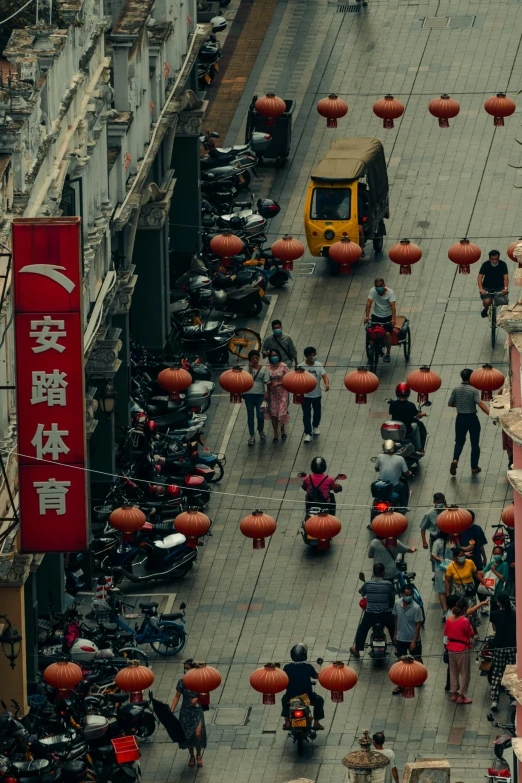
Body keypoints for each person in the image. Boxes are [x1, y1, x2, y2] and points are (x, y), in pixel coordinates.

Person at [448, 368, 489, 476]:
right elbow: (480, 404)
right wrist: (490, 413)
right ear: (471, 377)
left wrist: (460, 405)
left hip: (460, 419)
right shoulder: (473, 390)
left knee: (459, 442)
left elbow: (450, 403)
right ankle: (474, 467)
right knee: (475, 444)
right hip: (472, 419)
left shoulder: (456, 389)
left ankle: (455, 460)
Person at [350, 563, 395, 658]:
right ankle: (398, 649)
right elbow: (392, 596)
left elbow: (362, 593)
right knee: (394, 629)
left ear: (374, 573)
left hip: (370, 614)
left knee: (362, 629)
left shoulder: (368, 584)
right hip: (385, 613)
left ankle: (357, 649)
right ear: (383, 573)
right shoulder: (388, 584)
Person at [171, 660, 207, 767]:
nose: (185, 670)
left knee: (198, 734)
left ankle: (199, 755)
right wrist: (172, 709)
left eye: (187, 668)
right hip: (185, 712)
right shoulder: (182, 682)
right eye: (184, 668)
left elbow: (205, 696)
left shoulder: (201, 680)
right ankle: (191, 755)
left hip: (197, 711)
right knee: (187, 735)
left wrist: (197, 699)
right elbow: (177, 696)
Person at [281, 643, 324, 730]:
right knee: (319, 700)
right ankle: (316, 723)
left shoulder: (287, 667)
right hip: (306, 698)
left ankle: (287, 721)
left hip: (291, 697)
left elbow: (281, 678)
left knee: (284, 700)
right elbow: (316, 676)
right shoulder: (308, 667)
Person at [445, 547, 488, 632]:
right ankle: (462, 628)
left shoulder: (470, 562)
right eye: (460, 556)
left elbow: (476, 573)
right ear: (455, 557)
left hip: (470, 590)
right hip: (458, 590)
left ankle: (474, 630)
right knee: (460, 610)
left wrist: (484, 582)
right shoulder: (451, 567)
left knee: (472, 610)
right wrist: (448, 594)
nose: (462, 557)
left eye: (463, 555)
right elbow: (447, 580)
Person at [392, 586, 423, 694]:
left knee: (417, 660)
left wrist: (414, 641)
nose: (408, 596)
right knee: (401, 662)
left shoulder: (416, 608)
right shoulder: (397, 604)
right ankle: (400, 684)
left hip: (413, 639)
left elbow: (418, 625)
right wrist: (395, 633)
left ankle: (420, 677)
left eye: (410, 594)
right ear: (402, 594)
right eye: (406, 594)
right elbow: (396, 618)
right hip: (401, 638)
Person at [489, 592, 517, 711]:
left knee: (497, 673)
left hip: (499, 647)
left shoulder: (494, 614)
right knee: (511, 673)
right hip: (512, 647)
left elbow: (495, 629)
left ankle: (495, 700)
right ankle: (512, 698)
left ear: (498, 602)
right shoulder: (515, 615)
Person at [444, 598, 475, 704]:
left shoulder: (449, 619)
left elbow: (446, 633)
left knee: (453, 671)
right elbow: (471, 634)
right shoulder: (464, 620)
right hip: (462, 649)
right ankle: (461, 695)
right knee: (465, 673)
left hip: (450, 648)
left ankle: (454, 693)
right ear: (465, 609)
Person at [299, 347, 329, 442]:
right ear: (307, 356)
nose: (314, 356)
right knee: (306, 414)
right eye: (313, 355)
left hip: (317, 394)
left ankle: (315, 426)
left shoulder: (319, 365)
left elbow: (324, 376)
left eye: (315, 354)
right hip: (305, 395)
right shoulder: (300, 367)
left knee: (317, 412)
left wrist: (326, 383)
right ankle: (308, 433)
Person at [364, 278, 397, 363]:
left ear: (384, 285)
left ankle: (388, 353)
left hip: (387, 317)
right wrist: (367, 316)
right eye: (376, 287)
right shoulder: (373, 291)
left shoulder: (390, 293)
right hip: (376, 316)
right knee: (371, 332)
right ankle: (371, 350)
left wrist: (393, 319)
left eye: (380, 286)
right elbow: (368, 303)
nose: (378, 288)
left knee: (387, 334)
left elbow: (393, 306)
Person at [389, 383, 426, 454]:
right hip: (407, 430)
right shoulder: (411, 405)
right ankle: (419, 448)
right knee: (416, 427)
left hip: (395, 430)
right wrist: (422, 414)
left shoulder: (392, 404)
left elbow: (390, 413)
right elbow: (417, 415)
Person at [374, 440, 411, 510]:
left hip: (381, 484)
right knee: (403, 489)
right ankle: (404, 507)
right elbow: (406, 472)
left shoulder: (380, 456)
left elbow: (376, 469)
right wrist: (409, 473)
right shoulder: (400, 458)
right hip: (394, 485)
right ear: (394, 448)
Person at [264, 349, 290, 443]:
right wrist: (267, 392)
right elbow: (266, 380)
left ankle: (282, 429)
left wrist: (279, 383)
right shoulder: (267, 367)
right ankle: (275, 433)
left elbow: (288, 378)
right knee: (274, 413)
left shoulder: (284, 366)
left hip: (282, 392)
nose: (274, 357)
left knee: (282, 411)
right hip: (272, 393)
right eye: (272, 355)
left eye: (276, 355)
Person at [244, 350, 268, 446]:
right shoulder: (245, 369)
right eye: (253, 358)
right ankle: (252, 436)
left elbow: (267, 381)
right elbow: (245, 379)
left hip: (260, 396)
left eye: (256, 358)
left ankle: (261, 431)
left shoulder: (263, 369)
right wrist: (250, 369)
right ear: (250, 359)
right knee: (250, 415)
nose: (255, 360)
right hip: (249, 395)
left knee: (260, 415)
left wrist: (268, 392)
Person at [478, 249, 509, 318]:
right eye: (492, 259)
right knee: (487, 302)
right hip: (487, 288)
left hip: (500, 287)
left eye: (496, 259)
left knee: (503, 303)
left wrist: (505, 288)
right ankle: (486, 308)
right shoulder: (485, 265)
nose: (494, 261)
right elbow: (480, 277)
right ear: (489, 259)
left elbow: (506, 277)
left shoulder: (503, 264)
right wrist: (481, 289)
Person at [431, 530, 453, 614]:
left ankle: (450, 608)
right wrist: (440, 559)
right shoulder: (438, 542)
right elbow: (434, 554)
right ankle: (445, 610)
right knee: (442, 590)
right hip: (441, 570)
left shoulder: (452, 540)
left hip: (451, 568)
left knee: (450, 588)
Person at [483, 545, 510, 612]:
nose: (497, 555)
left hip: (502, 594)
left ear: (502, 554)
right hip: (493, 595)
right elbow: (483, 573)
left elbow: (504, 579)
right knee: (494, 614)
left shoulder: (504, 564)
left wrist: (494, 571)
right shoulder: (491, 563)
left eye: (499, 554)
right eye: (495, 553)